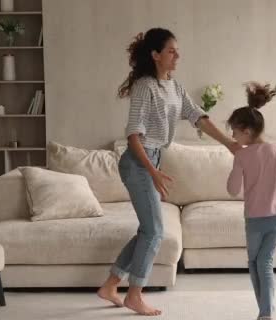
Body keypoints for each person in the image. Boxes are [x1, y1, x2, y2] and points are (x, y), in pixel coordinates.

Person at [97, 28, 239, 316]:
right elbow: (134, 136)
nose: (178, 55)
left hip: (153, 159)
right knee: (155, 231)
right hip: (139, 162)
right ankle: (134, 294)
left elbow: (198, 116)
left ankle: (111, 286)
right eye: (172, 50)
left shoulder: (174, 87)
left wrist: (230, 144)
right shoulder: (144, 87)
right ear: (156, 55)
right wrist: (152, 171)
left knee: (148, 230)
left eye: (177, 50)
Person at [226, 82, 276, 320]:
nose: (232, 136)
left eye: (234, 131)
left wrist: (235, 162)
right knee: (266, 263)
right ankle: (265, 313)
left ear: (246, 131)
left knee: (255, 263)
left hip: (255, 220)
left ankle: (265, 312)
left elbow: (232, 190)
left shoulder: (241, 155)